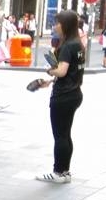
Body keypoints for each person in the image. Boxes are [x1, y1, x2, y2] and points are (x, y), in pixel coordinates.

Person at [35, 10, 85, 183]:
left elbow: (62, 71)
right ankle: (65, 172)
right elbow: (71, 72)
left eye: (57, 23)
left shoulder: (67, 46)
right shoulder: (78, 44)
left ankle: (58, 172)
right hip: (75, 93)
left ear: (66, 25)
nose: (55, 26)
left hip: (63, 96)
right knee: (65, 134)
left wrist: (50, 71)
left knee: (60, 136)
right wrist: (50, 81)